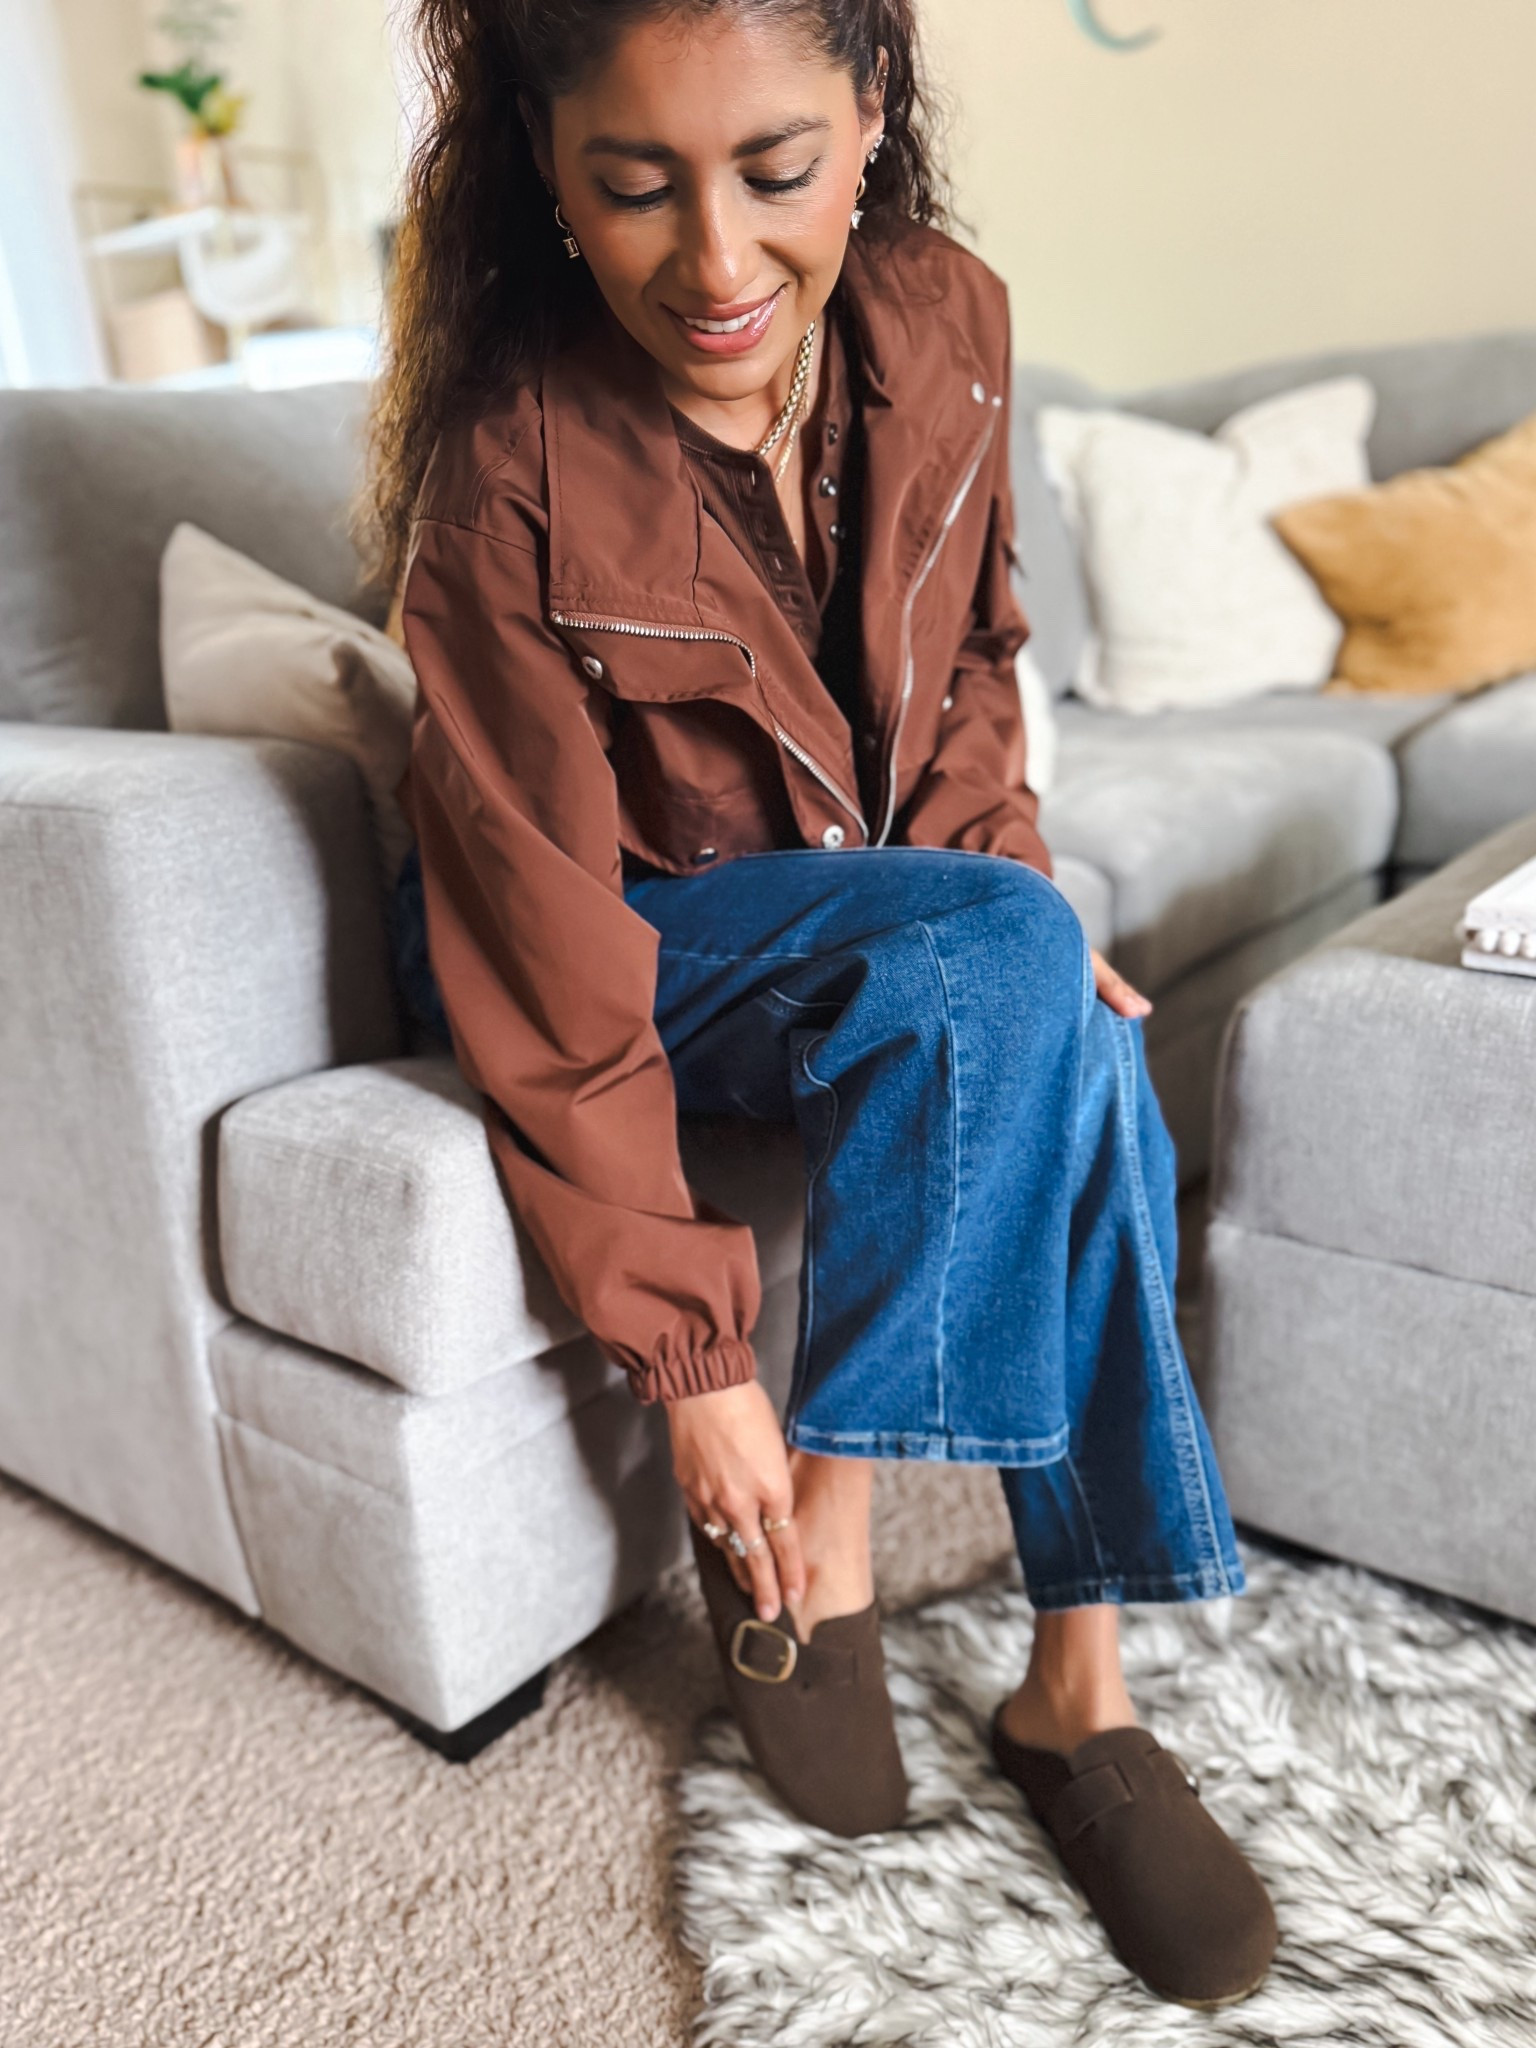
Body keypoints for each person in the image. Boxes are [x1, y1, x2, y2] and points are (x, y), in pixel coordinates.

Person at [361, 0, 1277, 2010]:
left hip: (867, 925)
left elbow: (970, 668)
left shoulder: (948, 317)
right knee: (1017, 974)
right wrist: (698, 1369)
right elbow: (537, 927)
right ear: (545, 169)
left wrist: (1003, 911)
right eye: (636, 183)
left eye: (776, 171)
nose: (715, 259)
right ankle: (944, 1625)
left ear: (873, 116)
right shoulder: (503, 460)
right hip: (623, 938)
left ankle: (1060, 1680)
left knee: (1078, 1024)